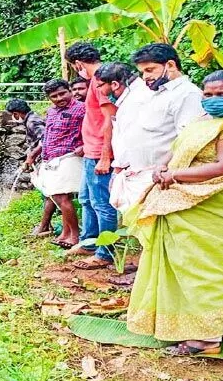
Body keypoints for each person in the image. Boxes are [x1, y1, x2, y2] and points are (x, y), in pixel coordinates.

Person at [124, 70, 223, 356]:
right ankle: (180, 324)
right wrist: (163, 166)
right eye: (209, 94)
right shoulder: (206, 119)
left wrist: (175, 176)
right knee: (184, 262)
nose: (214, 100)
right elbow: (180, 147)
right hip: (192, 198)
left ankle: (207, 337)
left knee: (209, 267)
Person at [64, 42, 117, 270]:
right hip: (91, 149)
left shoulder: (99, 82)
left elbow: (110, 119)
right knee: (87, 198)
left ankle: (105, 253)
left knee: (102, 203)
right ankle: (90, 241)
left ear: (78, 64)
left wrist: (105, 155)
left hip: (99, 152)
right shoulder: (98, 79)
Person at [26, 79, 85, 249]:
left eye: (62, 93)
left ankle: (75, 236)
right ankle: (65, 233)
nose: (59, 98)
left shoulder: (81, 108)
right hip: (51, 158)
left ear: (70, 91)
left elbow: (94, 128)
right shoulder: (51, 111)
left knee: (62, 196)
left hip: (69, 156)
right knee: (56, 195)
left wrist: (86, 145)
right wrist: (34, 154)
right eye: (54, 96)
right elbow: (46, 137)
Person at [130, 43, 204, 166]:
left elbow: (187, 140)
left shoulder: (187, 94)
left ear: (170, 65)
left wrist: (164, 170)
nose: (145, 77)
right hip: (141, 173)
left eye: (149, 70)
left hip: (163, 175)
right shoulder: (154, 92)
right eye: (142, 72)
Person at [93, 62, 154, 211]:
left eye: (100, 86)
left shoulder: (135, 102)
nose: (99, 90)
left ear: (114, 84)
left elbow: (130, 140)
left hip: (139, 168)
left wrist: (118, 169)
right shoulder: (134, 97)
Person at [6, 98, 54, 237]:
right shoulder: (32, 118)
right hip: (44, 159)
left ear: (16, 113)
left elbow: (45, 139)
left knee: (48, 193)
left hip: (47, 160)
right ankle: (46, 224)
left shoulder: (32, 121)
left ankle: (44, 226)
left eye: (12, 115)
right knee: (46, 193)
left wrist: (32, 155)